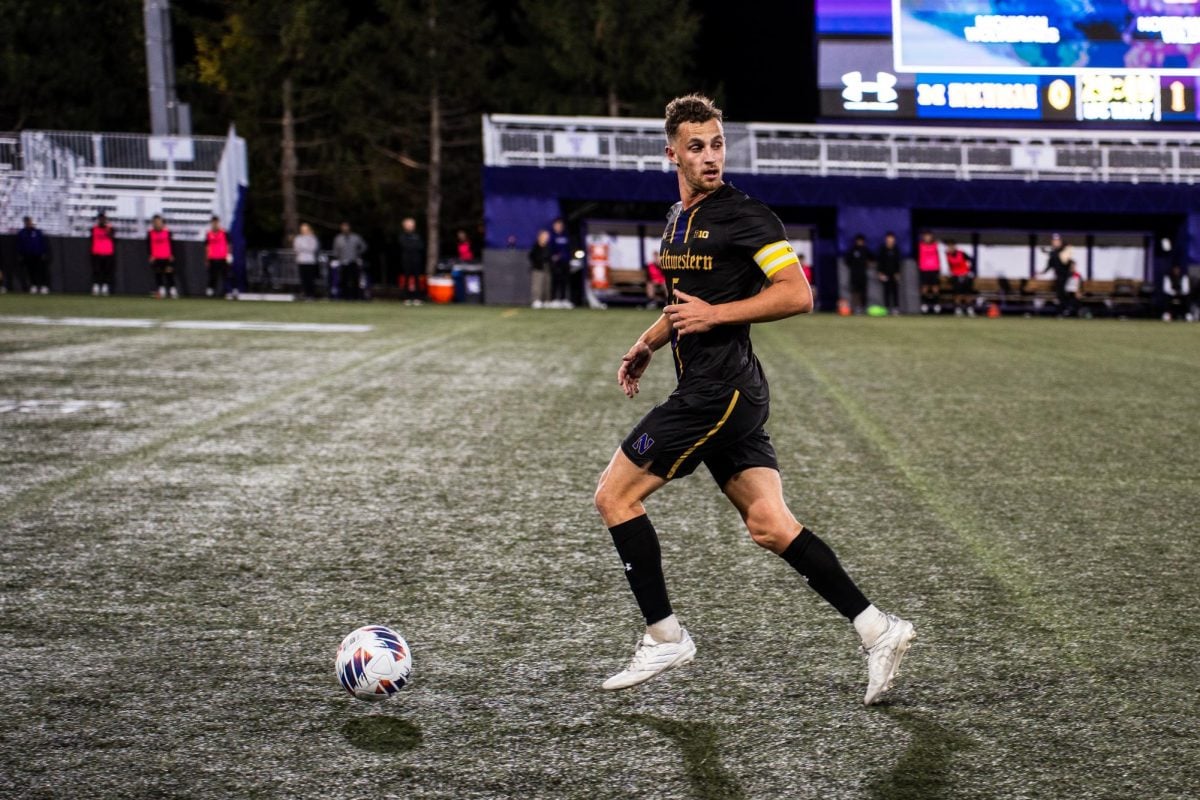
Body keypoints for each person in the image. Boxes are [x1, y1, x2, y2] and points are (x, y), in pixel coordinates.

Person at [594, 94, 914, 705]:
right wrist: (647, 343)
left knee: (614, 495)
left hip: (721, 392)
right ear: (673, 154)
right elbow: (684, 304)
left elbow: (797, 294)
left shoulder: (748, 216)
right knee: (770, 525)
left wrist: (718, 314)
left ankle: (665, 637)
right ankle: (878, 629)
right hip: (720, 390)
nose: (710, 156)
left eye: (717, 144)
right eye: (697, 146)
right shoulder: (676, 220)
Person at [332, 221, 367, 300]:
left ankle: (355, 297)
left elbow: (364, 246)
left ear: (349, 227)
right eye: (343, 227)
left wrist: (357, 253)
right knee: (343, 280)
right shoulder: (338, 238)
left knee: (355, 280)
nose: (345, 228)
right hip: (343, 262)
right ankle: (345, 296)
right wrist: (338, 257)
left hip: (353, 261)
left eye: (346, 227)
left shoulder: (355, 237)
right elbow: (335, 250)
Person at [17, 217, 50, 294]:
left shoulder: (37, 232)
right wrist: (20, 254)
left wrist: (44, 253)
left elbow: (42, 243)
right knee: (30, 271)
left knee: (41, 271)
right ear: (24, 223)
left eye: (29, 221)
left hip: (38, 254)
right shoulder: (22, 233)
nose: (28, 223)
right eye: (27, 222)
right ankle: (34, 285)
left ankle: (44, 286)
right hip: (27, 255)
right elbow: (19, 245)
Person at [1041, 233, 1072, 316]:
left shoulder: (1065, 249)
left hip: (1065, 275)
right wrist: (1043, 272)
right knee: (1059, 293)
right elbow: (1050, 264)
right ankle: (1063, 310)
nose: (1055, 242)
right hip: (1058, 276)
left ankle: (1067, 309)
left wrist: (1049, 252)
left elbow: (1065, 261)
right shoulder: (1054, 252)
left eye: (1057, 241)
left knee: (1062, 293)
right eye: (1054, 241)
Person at [147, 215, 176, 298]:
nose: (157, 224)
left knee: (169, 273)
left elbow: (172, 244)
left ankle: (172, 290)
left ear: (162, 223)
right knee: (158, 274)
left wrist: (172, 254)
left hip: (167, 256)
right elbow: (148, 245)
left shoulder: (168, 232)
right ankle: (161, 290)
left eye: (159, 222)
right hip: (156, 257)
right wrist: (150, 255)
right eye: (155, 222)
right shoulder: (150, 233)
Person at [397, 217, 426, 305]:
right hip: (406, 260)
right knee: (406, 279)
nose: (411, 226)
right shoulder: (402, 236)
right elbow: (405, 246)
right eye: (409, 225)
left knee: (417, 279)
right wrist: (413, 246)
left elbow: (420, 246)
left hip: (416, 260)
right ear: (405, 226)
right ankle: (406, 298)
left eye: (412, 225)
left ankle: (417, 298)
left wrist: (412, 246)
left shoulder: (417, 236)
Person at [944, 239, 974, 316]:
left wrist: (968, 271)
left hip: (965, 275)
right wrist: (950, 273)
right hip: (956, 276)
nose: (950, 248)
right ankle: (958, 309)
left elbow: (971, 260)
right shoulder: (947, 255)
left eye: (951, 246)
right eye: (949, 247)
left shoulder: (961, 253)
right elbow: (950, 265)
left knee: (967, 293)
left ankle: (969, 309)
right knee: (957, 293)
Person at [205, 216, 232, 298]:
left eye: (216, 222)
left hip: (223, 257)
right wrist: (206, 258)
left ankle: (226, 292)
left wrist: (229, 255)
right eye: (213, 223)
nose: (215, 224)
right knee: (213, 275)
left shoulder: (224, 232)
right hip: (212, 257)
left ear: (218, 223)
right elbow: (206, 246)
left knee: (225, 275)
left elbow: (229, 245)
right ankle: (211, 291)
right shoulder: (208, 233)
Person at [916, 230, 942, 314]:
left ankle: (936, 305)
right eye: (926, 236)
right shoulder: (920, 245)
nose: (927, 237)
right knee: (924, 288)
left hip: (934, 269)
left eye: (929, 236)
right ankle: (924, 305)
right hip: (924, 269)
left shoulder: (936, 245)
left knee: (935, 288)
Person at [549, 218, 572, 309]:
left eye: (560, 225)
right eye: (557, 225)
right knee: (555, 281)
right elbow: (550, 249)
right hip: (556, 263)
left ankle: (563, 299)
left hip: (565, 262)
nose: (559, 227)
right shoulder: (552, 236)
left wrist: (568, 258)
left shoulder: (566, 236)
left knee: (564, 281)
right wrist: (554, 256)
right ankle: (554, 299)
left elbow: (569, 248)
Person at [90, 212, 115, 296]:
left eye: (103, 219)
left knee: (107, 271)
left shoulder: (110, 228)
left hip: (108, 253)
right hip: (97, 252)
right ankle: (96, 287)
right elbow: (91, 239)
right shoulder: (93, 229)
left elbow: (112, 237)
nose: (102, 220)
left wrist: (108, 229)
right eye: (100, 219)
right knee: (96, 271)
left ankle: (105, 287)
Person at [876, 231, 902, 314]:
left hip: (894, 274)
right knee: (886, 291)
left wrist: (898, 273)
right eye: (889, 238)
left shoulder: (896, 249)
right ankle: (886, 308)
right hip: (885, 274)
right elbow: (880, 262)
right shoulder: (882, 249)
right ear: (886, 239)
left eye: (892, 238)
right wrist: (880, 273)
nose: (890, 240)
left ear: (894, 239)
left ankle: (895, 308)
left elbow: (898, 262)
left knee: (895, 291)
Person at [845, 233, 871, 314]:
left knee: (864, 292)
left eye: (861, 241)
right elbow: (847, 260)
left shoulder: (865, 250)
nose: (860, 242)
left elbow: (872, 258)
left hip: (862, 274)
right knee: (855, 291)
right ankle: (855, 307)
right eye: (858, 241)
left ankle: (863, 307)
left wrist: (868, 263)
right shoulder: (852, 250)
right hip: (854, 274)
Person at [294, 222, 320, 300]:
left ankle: (311, 294)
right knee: (303, 279)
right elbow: (297, 248)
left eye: (305, 229)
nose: (304, 231)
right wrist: (305, 248)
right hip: (301, 261)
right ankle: (304, 293)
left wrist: (303, 248)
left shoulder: (312, 238)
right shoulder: (298, 238)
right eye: (302, 229)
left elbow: (313, 248)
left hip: (310, 261)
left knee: (310, 279)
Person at [528, 229, 552, 308]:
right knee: (537, 285)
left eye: (547, 236)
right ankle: (536, 300)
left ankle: (545, 301)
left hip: (546, 268)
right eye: (544, 236)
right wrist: (538, 262)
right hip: (538, 268)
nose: (546, 238)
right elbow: (531, 256)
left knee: (546, 285)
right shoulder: (536, 246)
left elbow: (549, 257)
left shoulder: (548, 247)